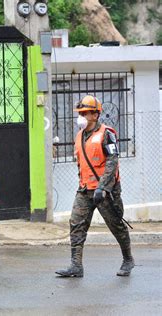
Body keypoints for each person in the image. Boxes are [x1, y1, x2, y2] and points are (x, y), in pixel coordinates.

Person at [55, 95, 134, 278]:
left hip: (106, 191)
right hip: (85, 189)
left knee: (116, 225)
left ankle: (128, 259)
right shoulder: (79, 136)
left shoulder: (107, 134)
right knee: (76, 224)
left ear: (96, 115)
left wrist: (103, 187)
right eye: (80, 113)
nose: (80, 116)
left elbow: (112, 161)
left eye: (85, 113)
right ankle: (76, 266)